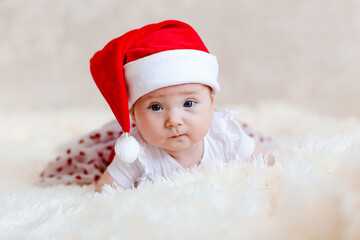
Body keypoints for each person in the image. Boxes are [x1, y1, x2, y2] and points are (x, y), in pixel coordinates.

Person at [38, 20, 274, 191]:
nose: (174, 120)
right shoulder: (138, 153)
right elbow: (105, 192)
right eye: (156, 107)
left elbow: (270, 165)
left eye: (189, 103)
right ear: (133, 114)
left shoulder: (225, 135)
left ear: (212, 104)